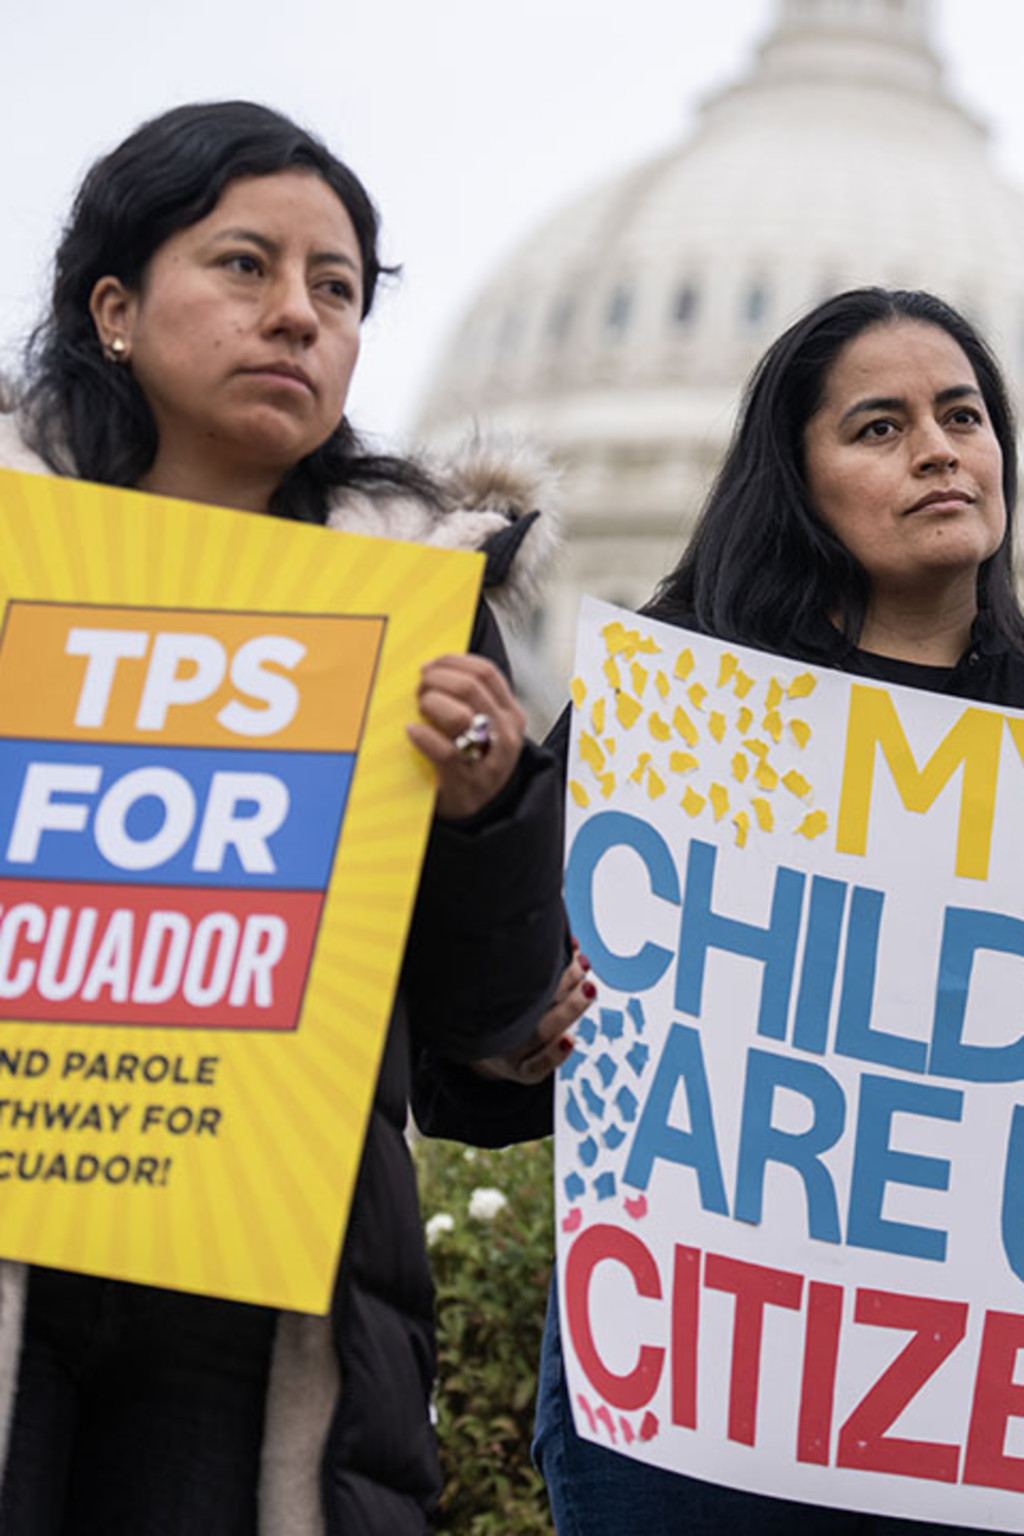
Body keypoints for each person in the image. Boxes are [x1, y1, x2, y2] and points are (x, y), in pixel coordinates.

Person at [0, 100, 584, 1536]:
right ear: (116, 307)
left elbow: (487, 1029)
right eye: (246, 267)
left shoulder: (430, 612)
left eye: (337, 289)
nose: (298, 317)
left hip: (261, 1290)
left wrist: (489, 808)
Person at [529, 286, 1024, 1534]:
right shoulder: (673, 722)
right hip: (690, 1406)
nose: (937, 449)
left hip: (967, 1410)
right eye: (877, 426)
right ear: (795, 482)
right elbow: (492, 1043)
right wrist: (519, 1021)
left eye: (963, 415)